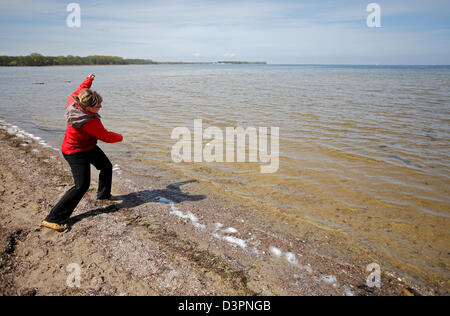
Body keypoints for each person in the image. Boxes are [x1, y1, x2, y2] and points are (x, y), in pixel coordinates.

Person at [42, 74, 123, 232]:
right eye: (98, 106)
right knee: (81, 185)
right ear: (88, 108)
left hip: (87, 146)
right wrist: (121, 136)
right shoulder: (88, 122)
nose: (100, 108)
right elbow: (106, 136)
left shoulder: (74, 102)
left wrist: (89, 79)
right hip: (75, 152)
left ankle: (103, 195)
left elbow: (81, 89)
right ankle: (53, 219)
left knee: (106, 166)